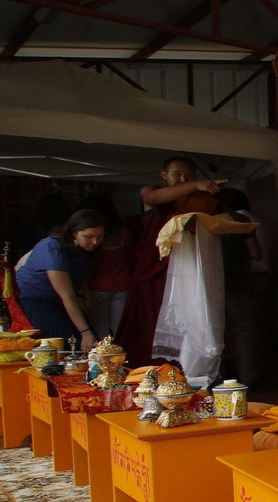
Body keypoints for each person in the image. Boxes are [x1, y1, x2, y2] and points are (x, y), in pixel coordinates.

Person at [117, 156, 223, 366]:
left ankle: (180, 370)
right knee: (149, 322)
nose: (183, 179)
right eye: (177, 175)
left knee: (185, 322)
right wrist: (195, 184)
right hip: (153, 271)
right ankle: (143, 370)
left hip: (185, 270)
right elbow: (154, 198)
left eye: (189, 175)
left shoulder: (197, 200)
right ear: (164, 175)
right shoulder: (150, 192)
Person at [15, 209, 104, 345]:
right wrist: (85, 332)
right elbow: (67, 297)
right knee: (70, 339)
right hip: (33, 299)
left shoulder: (85, 251)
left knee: (93, 342)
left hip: (61, 300)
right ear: (73, 233)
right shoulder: (52, 248)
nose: (95, 242)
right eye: (89, 236)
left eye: (99, 237)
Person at [217, 188, 267, 384]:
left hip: (210, 285)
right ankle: (248, 377)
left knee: (213, 332)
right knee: (243, 331)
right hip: (238, 282)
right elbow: (256, 253)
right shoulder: (240, 220)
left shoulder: (203, 220)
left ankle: (216, 379)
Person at [81, 194, 131, 341]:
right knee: (120, 329)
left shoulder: (91, 239)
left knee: (100, 328)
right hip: (122, 286)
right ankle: (119, 353)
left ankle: (102, 354)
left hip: (98, 287)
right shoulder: (125, 234)